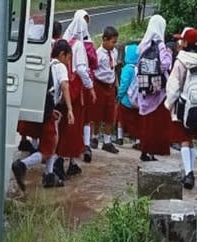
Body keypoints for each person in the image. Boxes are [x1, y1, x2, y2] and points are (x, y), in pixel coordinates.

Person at [11, 39, 74, 190]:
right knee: (49, 147)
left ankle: (49, 175)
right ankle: (22, 165)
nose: (68, 62)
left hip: (40, 107)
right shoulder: (60, 67)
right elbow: (65, 86)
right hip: (48, 111)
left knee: (52, 142)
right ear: (62, 54)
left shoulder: (46, 64)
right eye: (68, 58)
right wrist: (70, 110)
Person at [165, 27, 197, 190]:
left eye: (181, 40)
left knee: (183, 140)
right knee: (190, 140)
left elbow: (174, 86)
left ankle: (189, 173)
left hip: (183, 105)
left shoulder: (181, 61)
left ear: (186, 42)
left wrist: (168, 104)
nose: (179, 42)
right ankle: (190, 170)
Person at [17, 20, 63, 153]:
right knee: (42, 118)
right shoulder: (56, 46)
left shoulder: (36, 40)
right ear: (59, 33)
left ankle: (25, 140)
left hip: (30, 76)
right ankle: (38, 146)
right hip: (46, 83)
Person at [60, 12, 96, 176]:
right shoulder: (79, 46)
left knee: (62, 125)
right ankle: (66, 161)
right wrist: (90, 86)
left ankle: (63, 160)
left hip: (62, 86)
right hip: (75, 90)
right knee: (74, 126)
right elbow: (81, 69)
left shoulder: (64, 42)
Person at [133, 15, 173, 161]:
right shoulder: (161, 46)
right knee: (157, 124)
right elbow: (165, 65)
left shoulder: (143, 45)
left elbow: (137, 67)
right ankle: (152, 151)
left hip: (144, 90)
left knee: (146, 122)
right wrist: (169, 53)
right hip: (158, 92)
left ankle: (144, 149)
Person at [92, 26, 120, 154]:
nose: (114, 44)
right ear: (104, 39)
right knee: (97, 112)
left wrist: (116, 84)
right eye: (112, 42)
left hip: (110, 85)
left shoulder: (114, 52)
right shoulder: (98, 54)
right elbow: (93, 70)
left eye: (115, 42)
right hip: (99, 85)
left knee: (110, 114)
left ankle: (107, 141)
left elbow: (113, 69)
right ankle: (95, 137)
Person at [117, 43, 140, 147]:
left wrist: (119, 95)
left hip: (126, 100)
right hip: (138, 101)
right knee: (136, 121)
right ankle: (137, 140)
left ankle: (120, 137)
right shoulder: (139, 68)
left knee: (120, 119)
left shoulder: (127, 69)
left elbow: (124, 85)